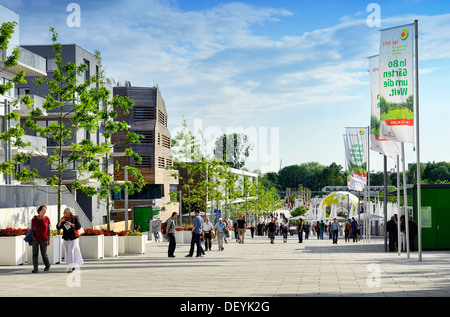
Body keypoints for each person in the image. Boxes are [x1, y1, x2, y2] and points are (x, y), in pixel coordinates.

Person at [57, 207, 84, 273]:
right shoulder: (63, 218)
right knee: (68, 252)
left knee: (71, 250)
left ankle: (70, 267)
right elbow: (58, 227)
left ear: (69, 213)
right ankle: (72, 265)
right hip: (66, 237)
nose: (64, 213)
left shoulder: (75, 217)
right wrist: (61, 221)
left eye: (65, 212)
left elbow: (78, 226)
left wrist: (71, 224)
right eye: (63, 212)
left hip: (73, 237)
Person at [31, 205, 51, 273]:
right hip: (35, 238)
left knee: (44, 254)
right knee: (35, 254)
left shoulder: (47, 219)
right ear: (39, 210)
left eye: (45, 209)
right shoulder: (34, 218)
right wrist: (31, 236)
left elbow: (48, 230)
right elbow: (32, 228)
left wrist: (49, 239)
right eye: (43, 209)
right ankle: (35, 268)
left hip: (44, 238)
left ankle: (47, 265)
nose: (44, 211)